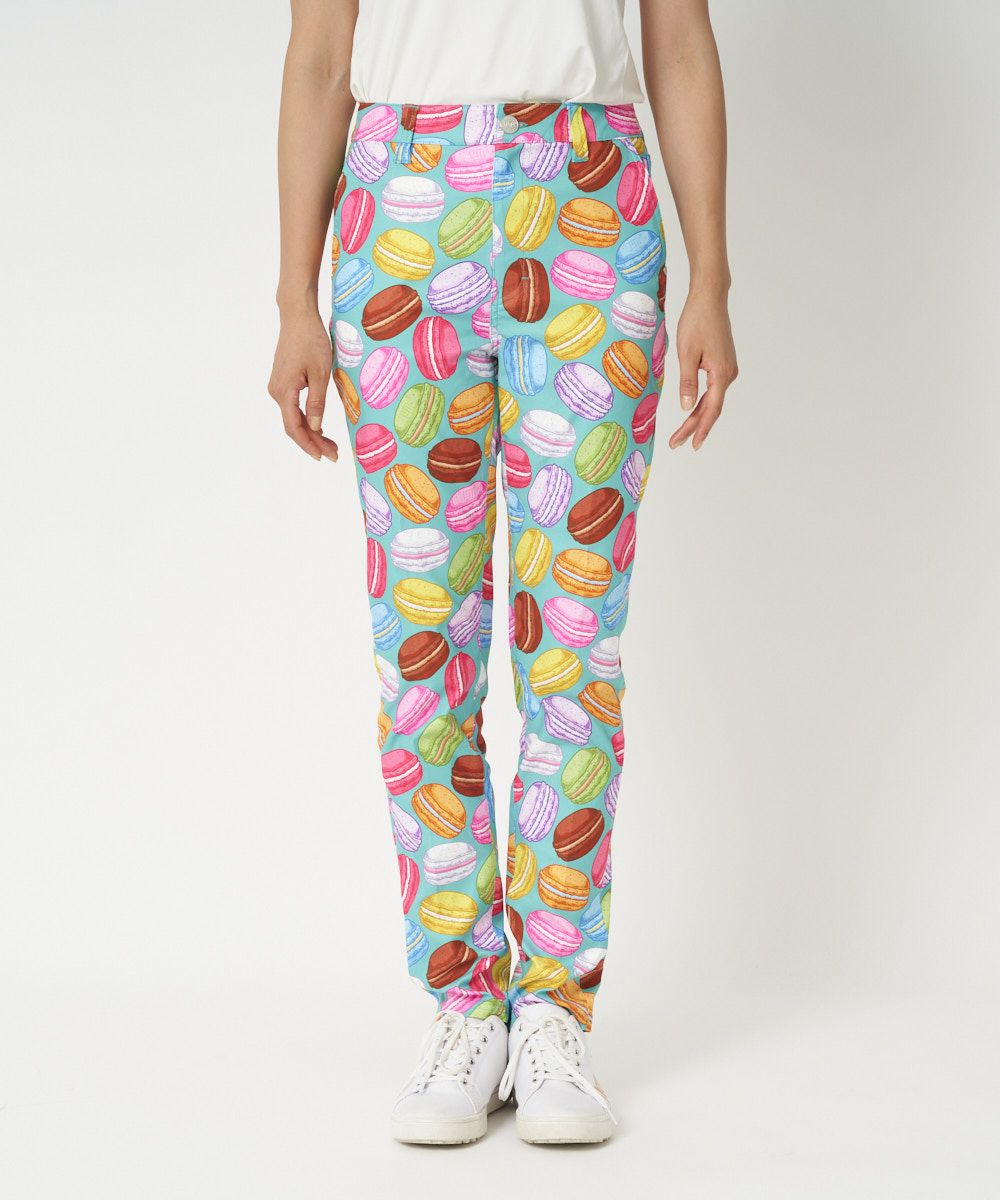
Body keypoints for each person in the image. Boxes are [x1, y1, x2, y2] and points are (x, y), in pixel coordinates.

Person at [268, 0, 738, 1146]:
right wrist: (293, 298)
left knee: (573, 650)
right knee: (423, 642)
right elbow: (321, 56)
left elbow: (677, 40)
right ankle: (465, 1004)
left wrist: (712, 280)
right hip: (402, 205)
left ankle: (553, 1013)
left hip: (590, 202)